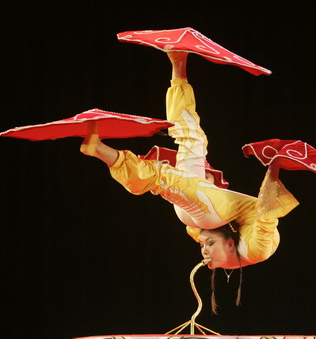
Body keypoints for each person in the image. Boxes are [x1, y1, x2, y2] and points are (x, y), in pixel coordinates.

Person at [80, 52, 299, 310]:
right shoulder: (257, 249)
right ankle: (100, 149)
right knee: (164, 176)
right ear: (230, 243)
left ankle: (178, 65)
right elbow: (266, 212)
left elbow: (204, 230)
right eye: (209, 244)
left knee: (189, 140)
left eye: (204, 246)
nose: (203, 250)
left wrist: (203, 186)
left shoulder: (213, 236)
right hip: (216, 210)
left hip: (202, 211)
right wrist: (276, 165)